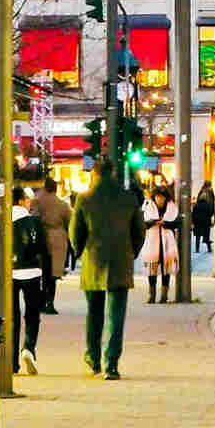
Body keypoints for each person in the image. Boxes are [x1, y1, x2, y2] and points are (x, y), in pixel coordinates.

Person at [70, 158, 145, 380]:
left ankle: (93, 360)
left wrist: (79, 252)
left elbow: (75, 233)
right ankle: (111, 364)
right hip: (121, 262)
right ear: (113, 173)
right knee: (116, 315)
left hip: (93, 260)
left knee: (93, 313)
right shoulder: (128, 198)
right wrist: (131, 253)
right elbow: (139, 231)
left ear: (94, 174)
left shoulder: (84, 199)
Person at [11, 186, 50, 375]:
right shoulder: (33, 221)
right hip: (33, 272)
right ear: (20, 201)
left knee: (12, 316)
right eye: (26, 199)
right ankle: (28, 348)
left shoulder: (0, 221)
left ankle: (11, 361)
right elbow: (44, 250)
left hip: (9, 274)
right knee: (32, 314)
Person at [31, 176, 70, 315]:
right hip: (58, 239)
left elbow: (33, 219)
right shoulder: (62, 204)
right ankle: (50, 303)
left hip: (41, 239)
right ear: (55, 189)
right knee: (53, 275)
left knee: (42, 273)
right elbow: (69, 222)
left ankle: (40, 302)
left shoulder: (37, 202)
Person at [141, 187, 180, 304]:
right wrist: (153, 222)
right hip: (152, 241)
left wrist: (166, 223)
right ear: (154, 197)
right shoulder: (148, 207)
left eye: (162, 197)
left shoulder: (172, 207)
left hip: (167, 242)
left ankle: (164, 295)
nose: (160, 199)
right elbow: (144, 223)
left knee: (166, 268)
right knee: (152, 268)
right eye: (158, 197)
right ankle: (151, 295)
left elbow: (176, 223)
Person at [192, 183, 215, 253]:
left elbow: (193, 214)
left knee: (198, 236)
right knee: (207, 236)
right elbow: (210, 212)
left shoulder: (196, 205)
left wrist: (193, 221)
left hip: (198, 222)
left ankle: (197, 249)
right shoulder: (207, 205)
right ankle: (209, 248)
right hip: (206, 222)